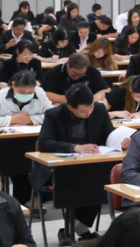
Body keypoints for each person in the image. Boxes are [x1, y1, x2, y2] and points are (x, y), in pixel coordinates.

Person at [37, 85, 116, 237]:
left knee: (103, 180)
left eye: (91, 107)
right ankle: (77, 229)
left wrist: (120, 141)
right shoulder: (54, 114)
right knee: (75, 182)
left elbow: (109, 134)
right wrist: (76, 147)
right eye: (83, 111)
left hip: (92, 165)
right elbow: (44, 143)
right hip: (63, 167)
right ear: (70, 108)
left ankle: (77, 226)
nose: (89, 113)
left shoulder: (99, 109)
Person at [42, 52, 108, 106]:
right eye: (74, 73)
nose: (77, 77)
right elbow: (45, 94)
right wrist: (73, 101)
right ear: (67, 65)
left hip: (87, 107)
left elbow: (106, 90)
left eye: (81, 75)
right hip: (62, 107)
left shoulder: (92, 71)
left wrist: (96, 97)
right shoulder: (54, 72)